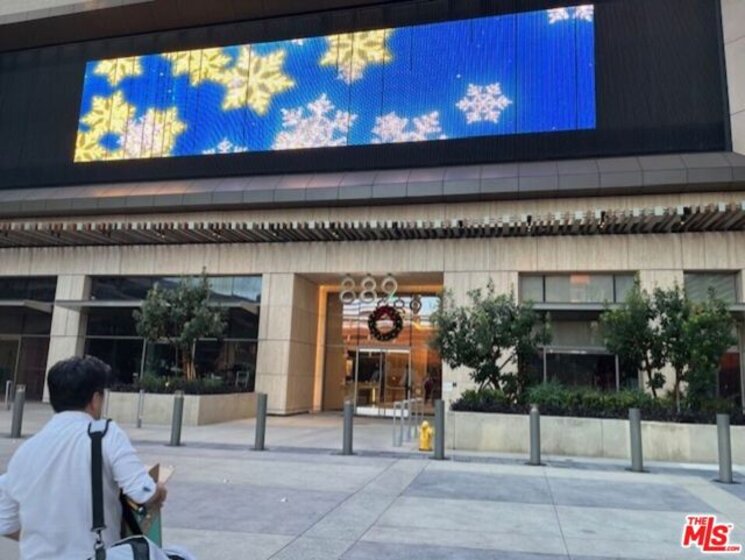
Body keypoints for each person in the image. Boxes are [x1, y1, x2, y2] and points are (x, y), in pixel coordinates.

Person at [0, 356, 168, 560]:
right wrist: (159, 490)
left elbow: (5, 523)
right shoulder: (106, 434)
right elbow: (143, 492)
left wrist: (50, 542)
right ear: (95, 400)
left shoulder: (25, 452)